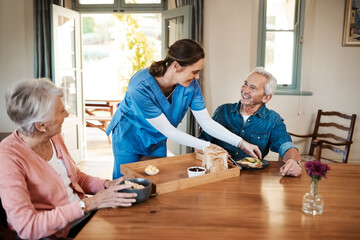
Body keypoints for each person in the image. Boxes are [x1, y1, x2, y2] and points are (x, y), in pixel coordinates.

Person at [0, 79, 137, 239]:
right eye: (61, 111)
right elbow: (28, 226)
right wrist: (90, 203)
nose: (67, 114)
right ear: (40, 125)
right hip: (55, 233)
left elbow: (74, 177)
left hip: (82, 216)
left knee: (133, 224)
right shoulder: (8, 157)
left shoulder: (53, 135)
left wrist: (106, 185)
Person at [106, 39, 261, 179]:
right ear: (176, 66)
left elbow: (206, 122)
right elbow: (169, 131)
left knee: (156, 182)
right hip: (129, 136)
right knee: (125, 183)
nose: (198, 77)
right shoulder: (140, 86)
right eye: (195, 71)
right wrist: (208, 146)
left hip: (157, 139)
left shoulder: (190, 86)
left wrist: (241, 143)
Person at [199, 67, 302, 177]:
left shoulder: (273, 120)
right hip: (219, 174)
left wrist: (294, 162)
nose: (245, 90)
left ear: (266, 97)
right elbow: (201, 143)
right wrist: (216, 155)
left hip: (252, 177)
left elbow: (286, 145)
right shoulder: (223, 111)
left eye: (253, 88)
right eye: (245, 84)